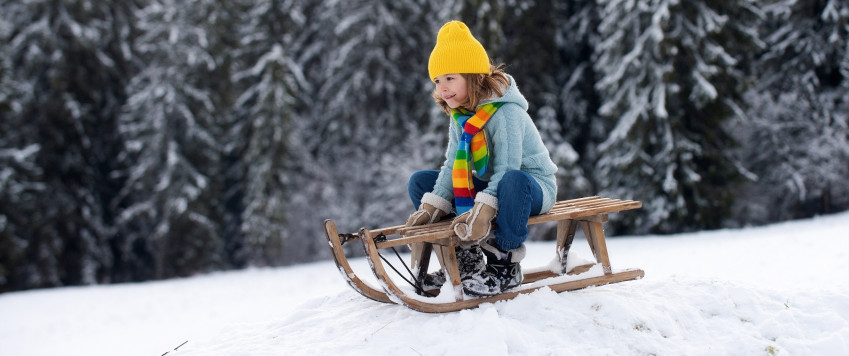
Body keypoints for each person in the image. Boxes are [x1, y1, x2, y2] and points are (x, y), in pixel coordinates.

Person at [405, 20, 558, 297]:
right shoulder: (461, 115)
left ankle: (505, 265)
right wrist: (432, 205)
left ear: (473, 76)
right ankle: (465, 259)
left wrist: (484, 209)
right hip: (494, 186)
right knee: (421, 182)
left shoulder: (506, 112)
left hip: (529, 188)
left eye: (450, 78)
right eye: (438, 81)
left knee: (513, 179)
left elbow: (507, 169)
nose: (443, 88)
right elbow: (453, 165)